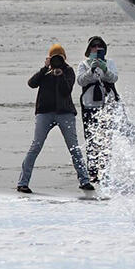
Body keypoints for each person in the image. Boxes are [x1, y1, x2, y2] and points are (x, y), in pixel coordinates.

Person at [17, 43, 94, 193]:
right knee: (36, 146)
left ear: (64, 59)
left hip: (65, 113)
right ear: (49, 59)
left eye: (60, 58)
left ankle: (84, 181)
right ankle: (22, 182)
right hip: (44, 113)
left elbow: (67, 91)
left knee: (74, 148)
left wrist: (60, 75)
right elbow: (31, 84)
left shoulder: (69, 71)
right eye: (54, 58)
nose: (57, 61)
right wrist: (45, 69)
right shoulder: (45, 72)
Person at [76, 35, 119, 184]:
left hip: (107, 104)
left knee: (106, 138)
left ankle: (105, 170)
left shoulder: (110, 63)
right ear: (89, 49)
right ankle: (93, 172)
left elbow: (114, 78)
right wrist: (92, 69)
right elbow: (80, 80)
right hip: (89, 104)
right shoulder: (84, 64)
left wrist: (104, 69)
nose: (97, 48)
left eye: (99, 46)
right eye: (94, 46)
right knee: (91, 138)